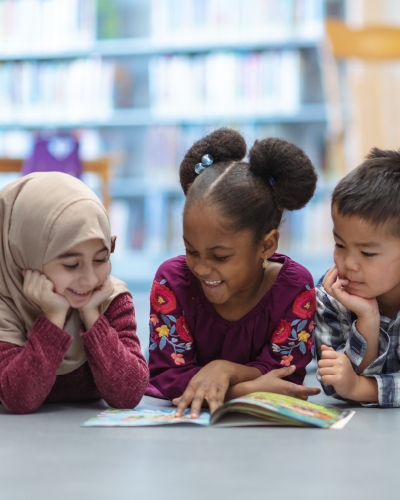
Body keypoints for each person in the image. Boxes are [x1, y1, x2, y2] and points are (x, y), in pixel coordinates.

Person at [145, 128, 321, 418]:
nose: (201, 268)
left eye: (221, 256)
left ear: (267, 245)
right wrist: (242, 390)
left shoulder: (295, 288)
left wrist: (222, 369)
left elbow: (284, 376)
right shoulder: (172, 281)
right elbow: (168, 376)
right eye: (191, 250)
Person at [0, 172, 149, 414]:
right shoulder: (6, 305)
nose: (90, 279)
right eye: (71, 265)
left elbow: (128, 394)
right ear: (26, 255)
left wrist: (92, 315)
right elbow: (19, 398)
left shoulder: (109, 298)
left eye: (101, 259)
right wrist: (53, 318)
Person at [316, 148, 400, 407]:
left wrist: (361, 388)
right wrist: (368, 319)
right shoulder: (329, 296)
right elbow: (335, 384)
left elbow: (351, 385)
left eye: (367, 252)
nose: (349, 264)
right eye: (340, 245)